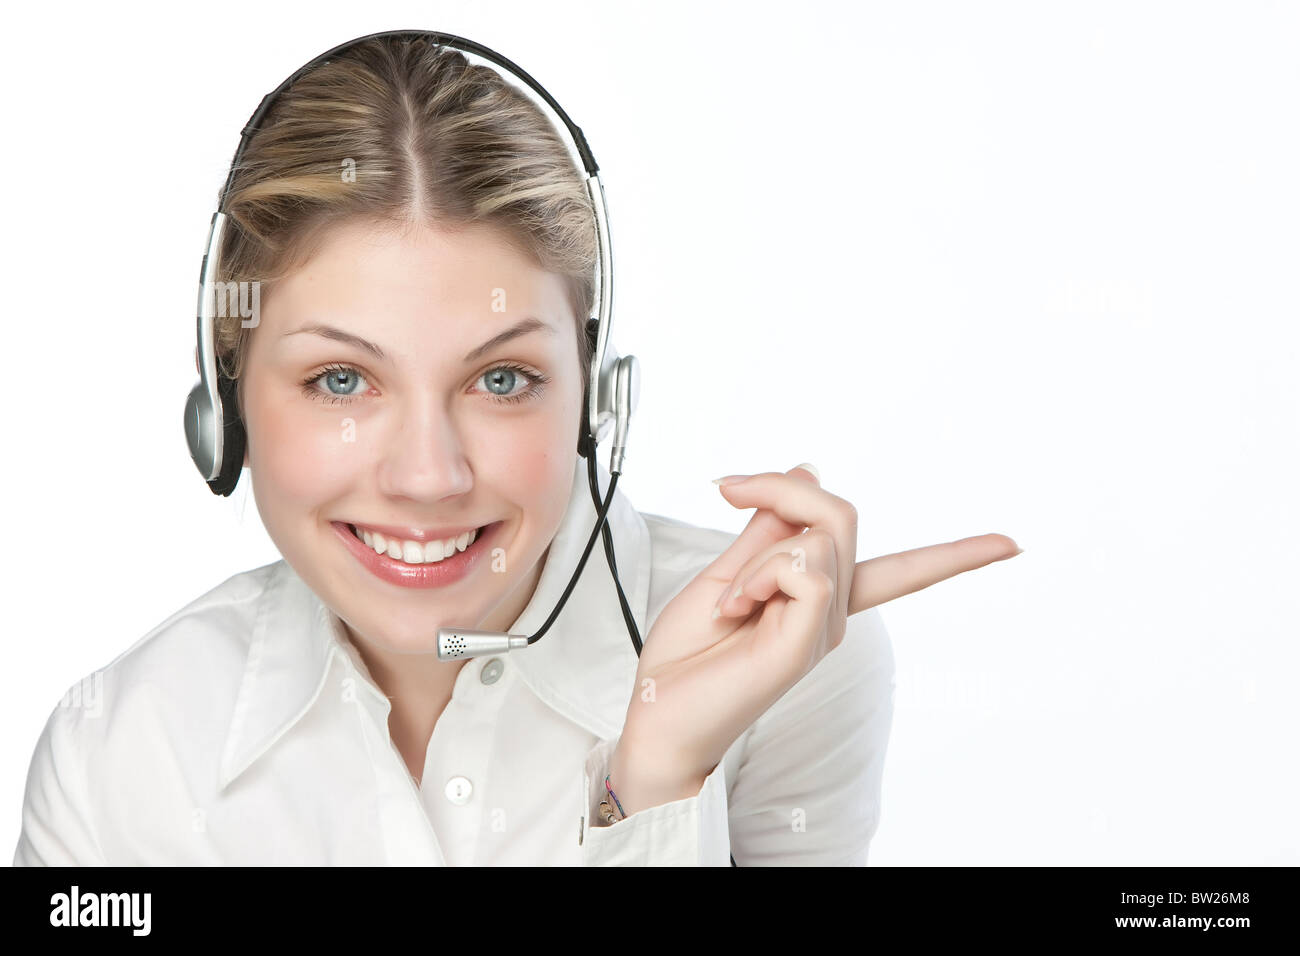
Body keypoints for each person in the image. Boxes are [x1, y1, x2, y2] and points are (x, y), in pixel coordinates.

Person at [12, 35, 1018, 866]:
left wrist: (652, 782)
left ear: (596, 401)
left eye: (499, 379)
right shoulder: (119, 749)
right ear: (225, 402)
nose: (426, 475)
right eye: (341, 380)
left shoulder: (787, 665)